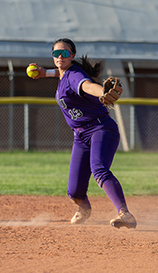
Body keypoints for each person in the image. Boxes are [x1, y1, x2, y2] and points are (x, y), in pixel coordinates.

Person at [28, 38, 137, 229]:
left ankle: (125, 213)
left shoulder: (75, 75)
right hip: (80, 136)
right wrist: (45, 73)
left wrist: (102, 91)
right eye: (56, 54)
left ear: (73, 55)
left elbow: (86, 85)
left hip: (100, 129)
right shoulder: (66, 73)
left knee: (99, 169)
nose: (60, 57)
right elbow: (62, 74)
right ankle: (84, 208)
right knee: (75, 191)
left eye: (64, 53)